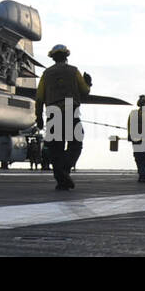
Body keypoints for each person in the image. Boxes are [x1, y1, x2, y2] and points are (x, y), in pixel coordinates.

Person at [35, 43, 90, 191]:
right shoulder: (74, 71)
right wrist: (88, 83)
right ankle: (64, 171)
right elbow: (84, 91)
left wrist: (38, 117)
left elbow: (39, 97)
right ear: (66, 56)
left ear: (52, 58)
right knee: (76, 144)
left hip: (53, 114)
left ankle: (61, 179)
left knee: (55, 149)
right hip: (71, 112)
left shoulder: (46, 74)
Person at [127, 95, 145, 183]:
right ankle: (142, 174)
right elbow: (129, 125)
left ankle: (143, 175)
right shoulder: (134, 113)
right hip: (137, 138)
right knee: (138, 157)